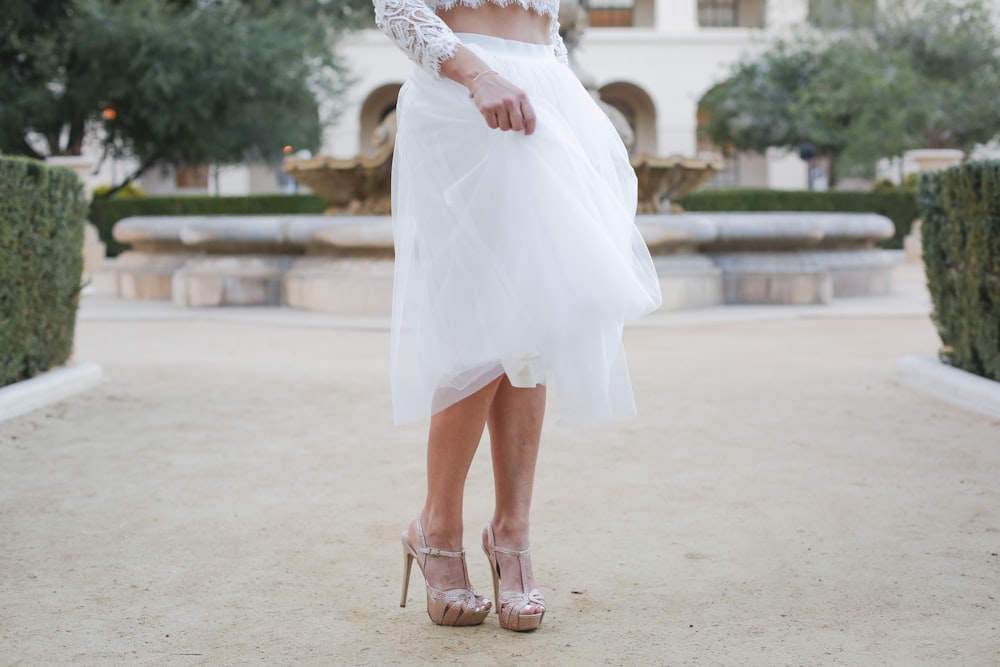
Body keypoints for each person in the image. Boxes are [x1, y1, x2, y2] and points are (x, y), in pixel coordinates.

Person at [374, 0, 662, 631]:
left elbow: (549, 28)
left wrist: (564, 103)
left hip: (546, 94)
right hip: (460, 96)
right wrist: (479, 75)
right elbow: (395, 5)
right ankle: (438, 528)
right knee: (477, 322)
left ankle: (512, 534)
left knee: (535, 324)